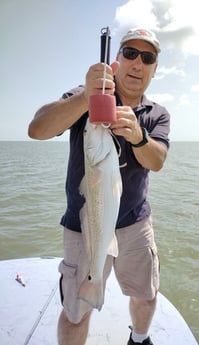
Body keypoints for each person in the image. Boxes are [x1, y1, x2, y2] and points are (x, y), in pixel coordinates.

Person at [28, 28, 170, 345]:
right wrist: (85, 99)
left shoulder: (156, 114)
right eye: (130, 53)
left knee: (146, 296)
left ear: (154, 68)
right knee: (77, 313)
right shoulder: (87, 96)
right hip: (85, 223)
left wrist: (138, 136)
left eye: (147, 58)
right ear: (117, 58)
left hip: (136, 223)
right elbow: (37, 129)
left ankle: (141, 337)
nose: (137, 63)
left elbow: (157, 161)